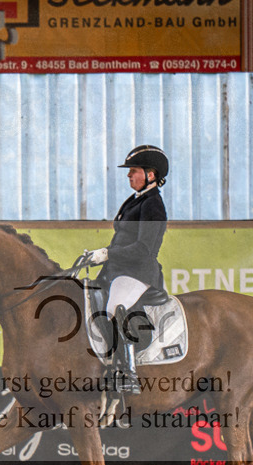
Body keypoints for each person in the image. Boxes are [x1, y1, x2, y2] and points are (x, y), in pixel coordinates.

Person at [86, 144, 169, 395]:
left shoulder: (153, 204)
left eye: (134, 171)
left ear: (150, 175)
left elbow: (144, 249)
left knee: (114, 308)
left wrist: (108, 254)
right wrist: (100, 254)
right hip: (117, 270)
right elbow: (122, 238)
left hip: (138, 272)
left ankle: (127, 372)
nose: (129, 175)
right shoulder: (135, 200)